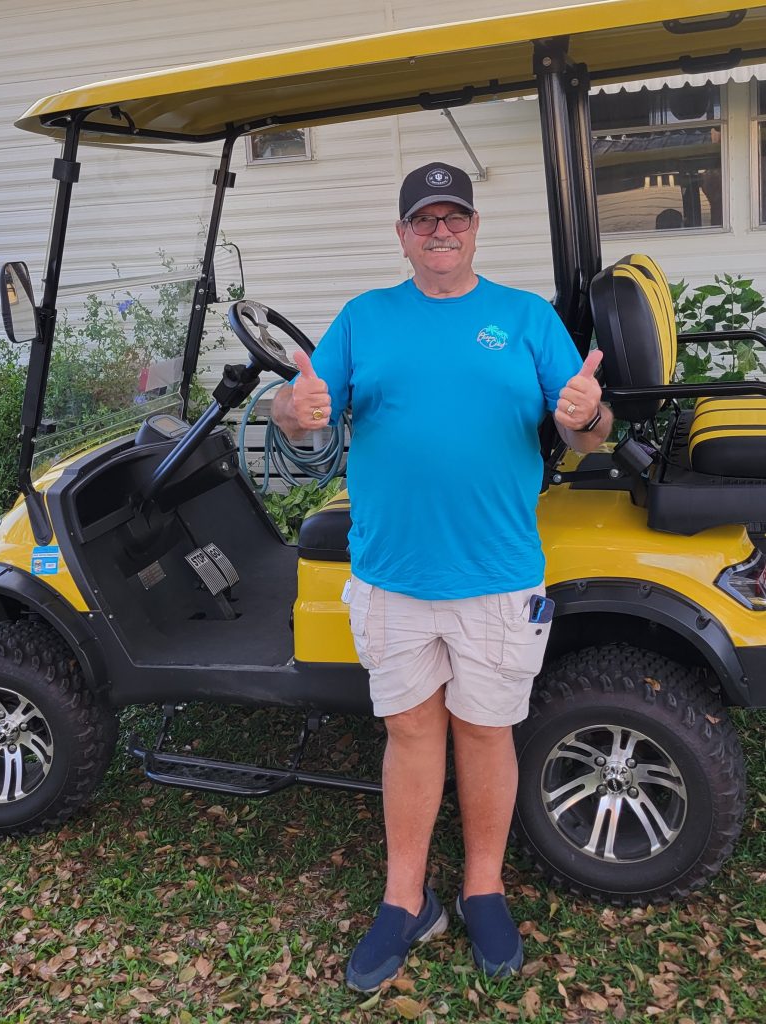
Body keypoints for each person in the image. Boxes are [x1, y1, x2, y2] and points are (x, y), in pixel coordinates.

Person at [271, 161, 612, 994]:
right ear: (402, 235)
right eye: (422, 219)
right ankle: (405, 899)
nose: (439, 231)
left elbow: (585, 430)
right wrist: (292, 410)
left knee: (485, 733)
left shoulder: (524, 317)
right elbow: (305, 413)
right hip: (391, 575)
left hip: (495, 574)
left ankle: (482, 890)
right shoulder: (364, 317)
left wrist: (587, 417)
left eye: (452, 216)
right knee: (410, 733)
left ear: (474, 228)